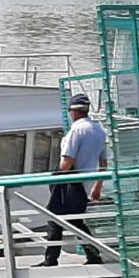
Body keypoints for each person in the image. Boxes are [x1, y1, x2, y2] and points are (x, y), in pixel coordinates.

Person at [40, 94, 105, 266]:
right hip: (86, 182)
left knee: (54, 217)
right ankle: (93, 255)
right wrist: (98, 186)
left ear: (73, 111)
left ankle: (50, 260)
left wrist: (56, 177)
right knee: (75, 220)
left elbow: (67, 161)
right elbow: (104, 162)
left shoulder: (76, 130)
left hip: (69, 180)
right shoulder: (99, 129)